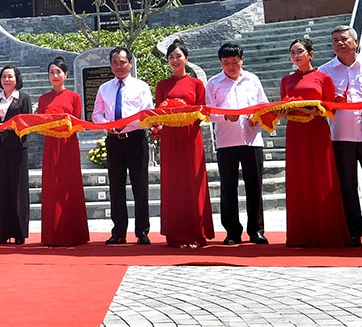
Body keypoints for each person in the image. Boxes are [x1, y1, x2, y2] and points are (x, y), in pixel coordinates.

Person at [319, 25, 362, 248]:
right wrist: (333, 105)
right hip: (340, 136)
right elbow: (320, 105)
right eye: (335, 40)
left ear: (356, 42)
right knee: (346, 185)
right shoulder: (324, 71)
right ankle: (353, 231)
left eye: (343, 39)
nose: (339, 43)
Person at [280, 38, 350, 248]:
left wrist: (313, 111)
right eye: (292, 52)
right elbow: (284, 105)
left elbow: (331, 109)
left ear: (311, 54)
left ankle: (326, 232)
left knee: (322, 178)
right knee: (299, 179)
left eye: (299, 51)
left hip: (317, 132)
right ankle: (302, 233)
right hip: (296, 133)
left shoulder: (323, 78)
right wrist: (283, 112)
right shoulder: (287, 80)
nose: (295, 56)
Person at [205, 42, 269, 245]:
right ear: (220, 63)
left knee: (254, 186)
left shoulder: (253, 79)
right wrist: (225, 117)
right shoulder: (214, 83)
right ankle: (232, 231)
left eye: (235, 62)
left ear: (241, 60)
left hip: (252, 140)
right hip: (226, 142)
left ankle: (256, 230)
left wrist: (257, 117)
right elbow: (209, 113)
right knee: (228, 187)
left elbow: (264, 106)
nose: (231, 66)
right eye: (226, 63)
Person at [153, 40, 214, 249]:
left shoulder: (196, 84)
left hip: (190, 136)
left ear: (186, 58)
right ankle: (175, 234)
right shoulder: (162, 85)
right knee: (173, 184)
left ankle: (196, 233)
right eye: (171, 57)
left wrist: (185, 113)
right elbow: (158, 113)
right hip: (170, 138)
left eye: (178, 56)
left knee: (192, 183)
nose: (175, 60)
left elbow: (203, 112)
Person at [92, 46, 155, 245]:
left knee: (140, 186)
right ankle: (118, 231)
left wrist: (125, 124)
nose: (119, 66)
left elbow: (147, 113)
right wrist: (108, 126)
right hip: (113, 141)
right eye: (115, 63)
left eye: (122, 62)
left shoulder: (141, 86)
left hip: (136, 139)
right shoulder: (104, 88)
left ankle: (142, 231)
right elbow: (96, 114)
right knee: (116, 186)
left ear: (130, 63)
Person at [36, 56, 89, 247]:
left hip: (68, 145)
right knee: (53, 187)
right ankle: (53, 234)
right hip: (51, 145)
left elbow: (78, 123)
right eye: (51, 72)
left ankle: (74, 234)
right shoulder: (43, 99)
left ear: (65, 74)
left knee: (70, 185)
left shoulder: (74, 97)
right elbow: (39, 122)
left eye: (58, 72)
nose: (55, 75)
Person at [0, 65, 32, 244]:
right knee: (2, 189)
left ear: (16, 79)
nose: (6, 80)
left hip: (18, 148)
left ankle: (19, 232)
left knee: (19, 189)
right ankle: (3, 232)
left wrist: (11, 126)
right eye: (4, 76)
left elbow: (28, 123)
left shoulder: (23, 98)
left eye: (10, 77)